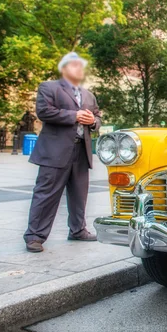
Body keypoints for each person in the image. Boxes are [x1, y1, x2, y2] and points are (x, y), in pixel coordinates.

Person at [24, 52, 101, 253]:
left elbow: (98, 118)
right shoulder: (49, 87)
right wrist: (74, 115)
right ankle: (35, 236)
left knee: (79, 195)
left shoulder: (89, 95)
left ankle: (78, 230)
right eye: (74, 65)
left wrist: (93, 122)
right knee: (46, 194)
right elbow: (44, 112)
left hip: (81, 151)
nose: (79, 69)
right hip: (55, 151)